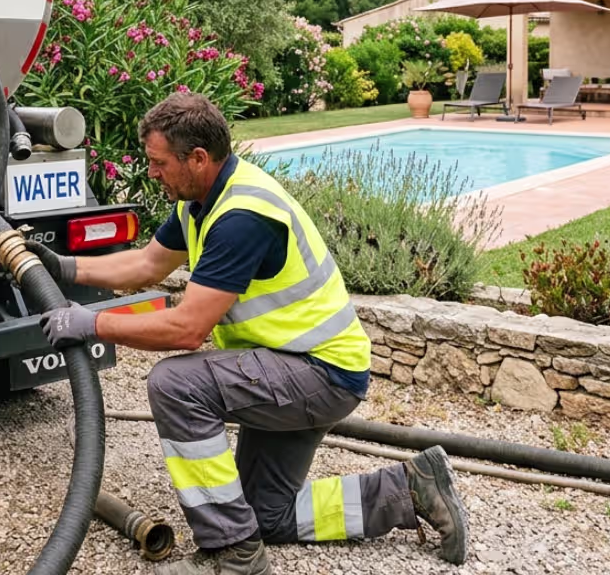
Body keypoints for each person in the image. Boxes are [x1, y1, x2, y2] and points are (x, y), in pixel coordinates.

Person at [31, 92, 469, 574]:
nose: (152, 172)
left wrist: (92, 324)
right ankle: (410, 488)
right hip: (289, 366)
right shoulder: (202, 201)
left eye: (159, 163)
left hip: (318, 374)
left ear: (198, 158)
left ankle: (233, 554)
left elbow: (187, 328)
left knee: (176, 385)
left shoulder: (241, 218)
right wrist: (65, 267)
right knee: (265, 516)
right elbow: (146, 264)